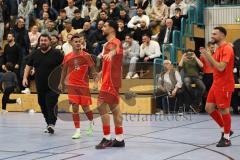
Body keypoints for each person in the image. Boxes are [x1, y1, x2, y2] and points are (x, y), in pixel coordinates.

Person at [200, 26, 235, 147]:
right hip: (216, 83)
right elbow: (212, 65)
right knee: (209, 108)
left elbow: (220, 67)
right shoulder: (218, 49)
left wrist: (208, 56)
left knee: (224, 110)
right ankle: (226, 129)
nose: (212, 36)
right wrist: (206, 54)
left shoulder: (227, 48)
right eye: (212, 34)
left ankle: (226, 138)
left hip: (224, 84)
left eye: (215, 34)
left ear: (222, 35)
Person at [23, 34, 64, 134]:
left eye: (45, 40)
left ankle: (52, 124)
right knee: (42, 104)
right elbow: (28, 65)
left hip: (54, 85)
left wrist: (62, 82)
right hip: (40, 85)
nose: (43, 42)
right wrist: (25, 77)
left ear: (50, 41)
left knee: (51, 103)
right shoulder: (35, 53)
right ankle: (48, 123)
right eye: (41, 40)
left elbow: (64, 68)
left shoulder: (57, 53)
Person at [59, 33, 97, 139]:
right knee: (75, 107)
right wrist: (61, 83)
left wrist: (95, 82)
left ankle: (91, 122)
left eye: (80, 41)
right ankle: (77, 131)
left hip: (83, 86)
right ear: (71, 43)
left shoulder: (86, 56)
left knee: (85, 108)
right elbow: (64, 71)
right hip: (72, 86)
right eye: (76, 42)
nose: (78, 43)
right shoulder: (67, 57)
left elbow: (93, 71)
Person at [95, 20, 125, 149]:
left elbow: (118, 48)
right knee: (115, 109)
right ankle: (119, 139)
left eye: (105, 26)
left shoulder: (115, 42)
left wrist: (113, 52)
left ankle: (107, 138)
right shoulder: (106, 44)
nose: (102, 27)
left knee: (101, 106)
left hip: (111, 81)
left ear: (112, 29)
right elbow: (109, 63)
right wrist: (101, 73)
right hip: (109, 78)